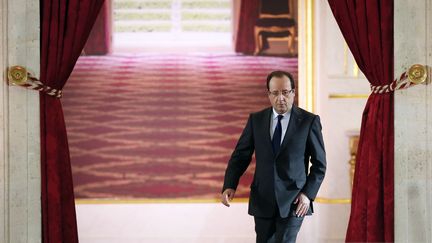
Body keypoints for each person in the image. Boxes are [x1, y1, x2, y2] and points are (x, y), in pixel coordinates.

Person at [221, 70, 326, 243]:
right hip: (263, 199)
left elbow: (320, 164)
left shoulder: (309, 121)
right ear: (269, 95)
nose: (281, 98)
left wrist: (307, 194)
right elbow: (240, 156)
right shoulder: (256, 120)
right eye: (275, 93)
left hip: (295, 201)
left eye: (285, 92)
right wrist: (229, 184)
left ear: (293, 92)